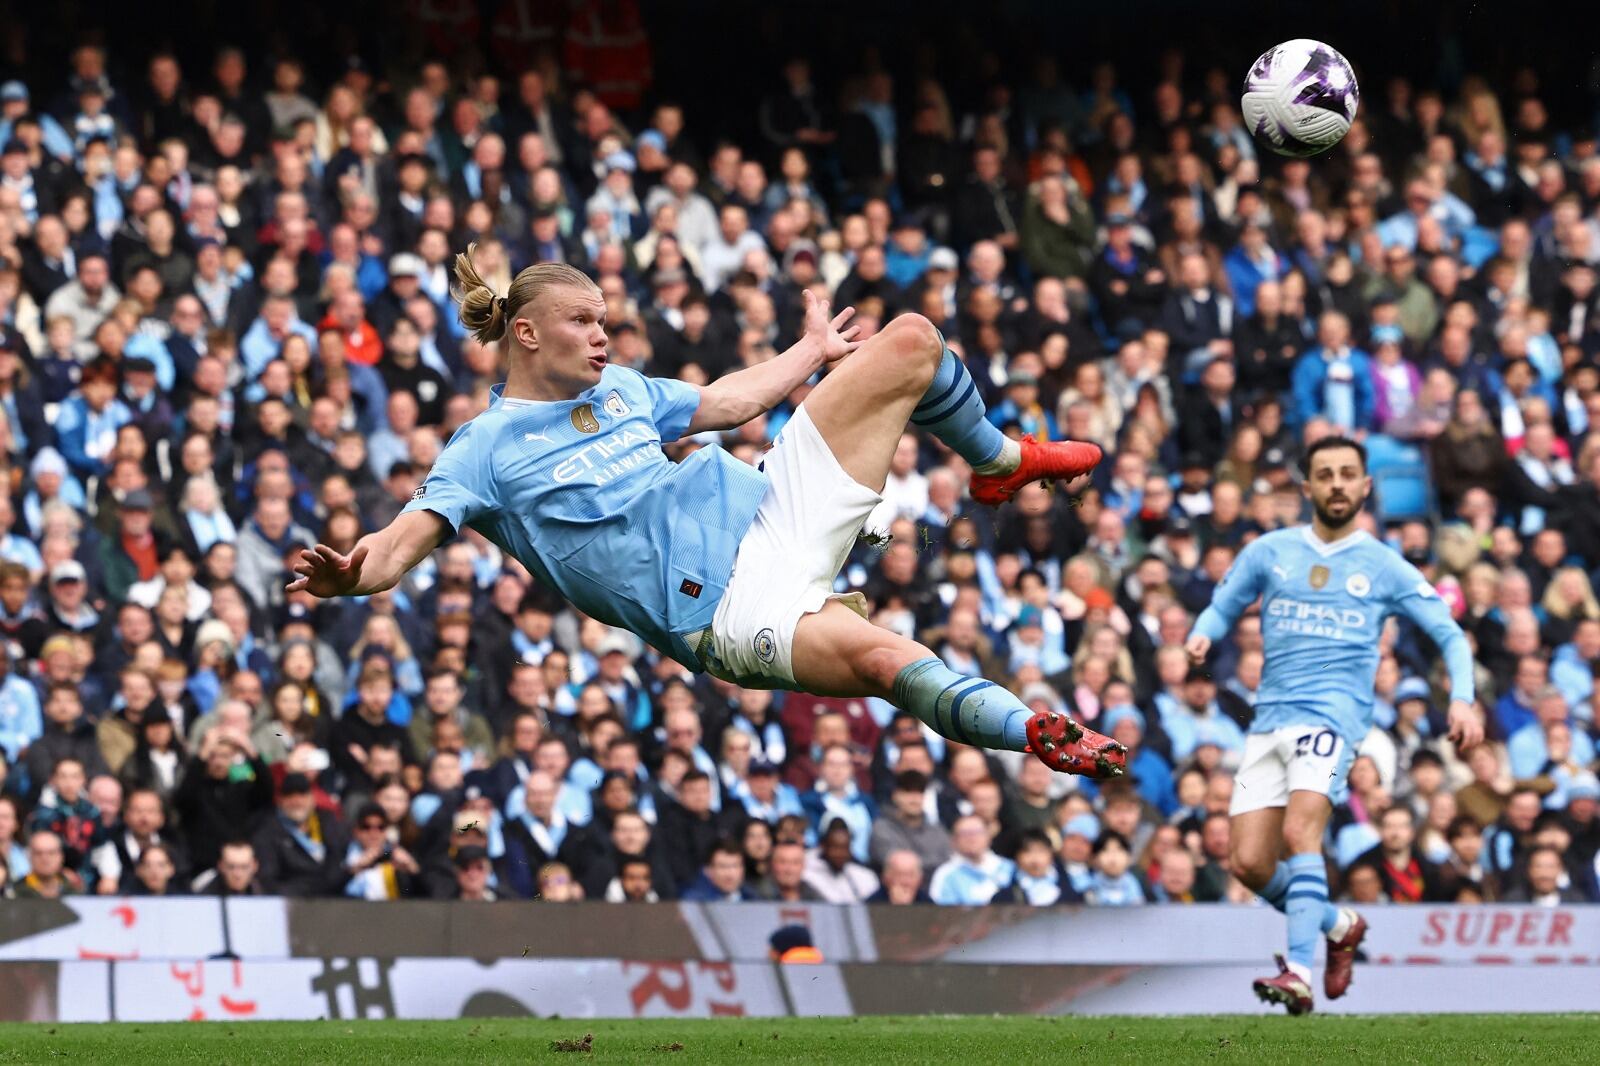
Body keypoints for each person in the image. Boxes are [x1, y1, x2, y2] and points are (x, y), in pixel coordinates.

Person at [288, 248, 1123, 783]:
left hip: (765, 509)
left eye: (605, 321)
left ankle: (1000, 462)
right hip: (723, 611)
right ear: (529, 335)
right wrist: (352, 578)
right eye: (583, 322)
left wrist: (811, 353)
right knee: (882, 660)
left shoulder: (621, 389)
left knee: (909, 339)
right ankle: (1034, 731)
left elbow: (726, 401)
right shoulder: (485, 448)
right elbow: (397, 546)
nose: (603, 337)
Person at [1184, 435, 1482, 1014]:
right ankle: (1338, 925)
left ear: (1366, 486)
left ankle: (1298, 971)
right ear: (1307, 487)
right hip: (1270, 720)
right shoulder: (1270, 551)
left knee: (1301, 834)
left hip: (1333, 718)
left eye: (1348, 474)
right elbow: (1223, 604)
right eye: (1326, 475)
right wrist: (1203, 633)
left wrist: (1464, 699)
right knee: (1248, 863)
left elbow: (1448, 633)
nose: (1337, 484)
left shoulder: (1384, 565)